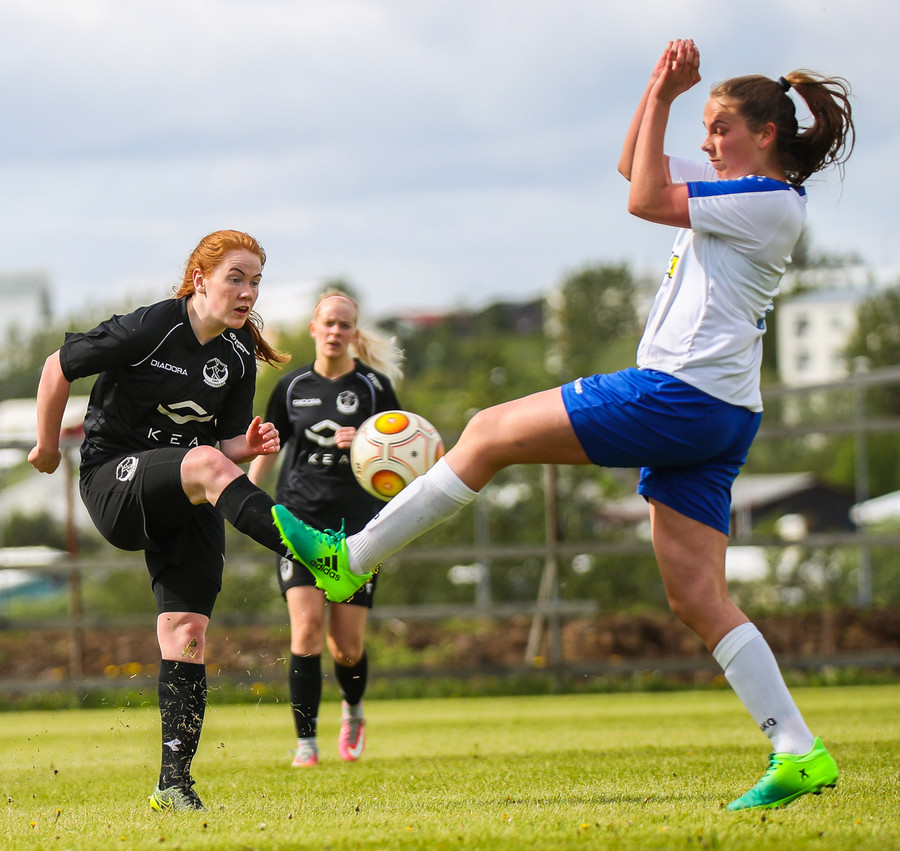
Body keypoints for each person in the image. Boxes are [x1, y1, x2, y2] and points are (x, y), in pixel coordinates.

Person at [270, 41, 856, 811]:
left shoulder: (767, 200)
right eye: (706, 130)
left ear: (766, 135)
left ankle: (352, 558)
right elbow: (631, 167)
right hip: (719, 411)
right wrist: (656, 88)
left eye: (721, 129)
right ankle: (797, 748)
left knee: (488, 432)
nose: (709, 143)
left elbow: (643, 198)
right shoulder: (743, 187)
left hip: (678, 395)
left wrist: (668, 98)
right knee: (697, 596)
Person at [28, 229, 308, 813]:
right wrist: (48, 446)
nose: (248, 292)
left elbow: (221, 451)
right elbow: (58, 366)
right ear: (200, 279)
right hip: (114, 479)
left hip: (188, 485)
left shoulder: (237, 357)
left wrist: (248, 446)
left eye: (256, 282)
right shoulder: (153, 326)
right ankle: (308, 550)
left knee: (187, 633)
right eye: (236, 278)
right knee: (202, 463)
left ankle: (173, 785)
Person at [248, 288, 403, 767]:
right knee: (307, 630)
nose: (335, 331)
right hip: (299, 522)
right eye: (328, 323)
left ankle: (353, 711)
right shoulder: (291, 387)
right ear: (314, 329)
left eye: (344, 324)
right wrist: (242, 499)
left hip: (358, 529)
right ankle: (306, 744)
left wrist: (367, 440)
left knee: (347, 646)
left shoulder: (374, 388)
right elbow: (268, 450)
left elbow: (400, 454)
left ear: (354, 333)